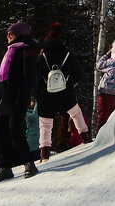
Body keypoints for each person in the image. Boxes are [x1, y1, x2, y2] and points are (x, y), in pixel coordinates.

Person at [0, 20, 40, 182]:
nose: (7, 35)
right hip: (2, 97)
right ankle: (6, 168)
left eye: (10, 33)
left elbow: (29, 77)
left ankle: (29, 162)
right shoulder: (9, 51)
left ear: (19, 34)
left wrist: (24, 95)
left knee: (15, 129)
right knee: (2, 131)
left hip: (16, 97)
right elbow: (3, 78)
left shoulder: (26, 51)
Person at [35, 22, 90, 162]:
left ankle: (44, 154)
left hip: (46, 96)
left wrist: (37, 94)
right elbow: (78, 74)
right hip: (66, 93)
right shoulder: (67, 55)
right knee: (76, 113)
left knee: (45, 124)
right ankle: (86, 138)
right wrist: (71, 85)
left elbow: (35, 78)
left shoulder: (42, 57)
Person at [24, 97, 40, 162]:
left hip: (34, 141)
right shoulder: (33, 111)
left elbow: (33, 116)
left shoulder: (37, 109)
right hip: (34, 139)